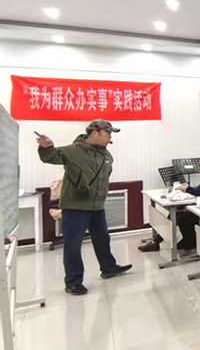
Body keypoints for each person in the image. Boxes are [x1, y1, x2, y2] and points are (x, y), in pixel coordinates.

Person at [36, 119, 132, 295]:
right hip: (75, 206)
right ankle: (73, 282)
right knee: (73, 245)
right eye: (107, 133)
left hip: (97, 206)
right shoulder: (73, 151)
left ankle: (108, 267)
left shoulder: (106, 155)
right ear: (95, 132)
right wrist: (46, 147)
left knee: (102, 238)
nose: (110, 137)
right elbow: (50, 156)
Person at [140, 155, 200, 255]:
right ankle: (163, 240)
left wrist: (187, 189)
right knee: (178, 214)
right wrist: (188, 188)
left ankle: (189, 243)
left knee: (183, 217)